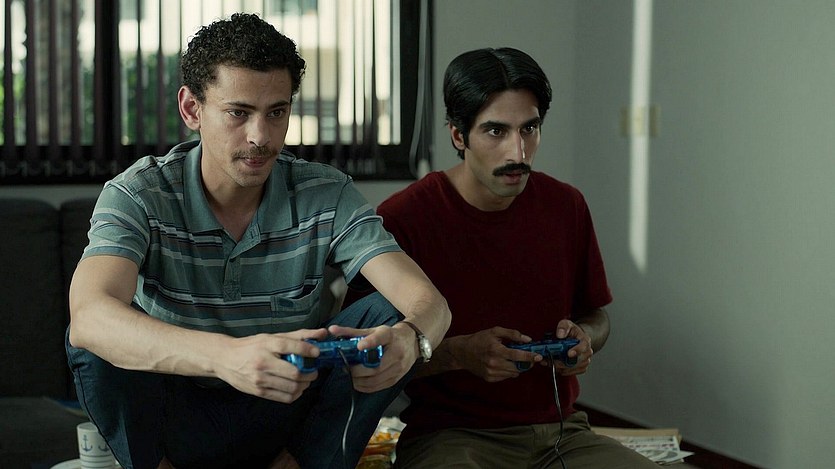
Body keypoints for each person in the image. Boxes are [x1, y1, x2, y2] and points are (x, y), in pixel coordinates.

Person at [65, 13, 450, 469]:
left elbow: (430, 304)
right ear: (192, 109)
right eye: (238, 112)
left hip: (286, 409)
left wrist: (412, 340)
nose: (260, 137)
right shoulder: (139, 193)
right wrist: (226, 357)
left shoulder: (325, 193)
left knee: (388, 315)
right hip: (179, 413)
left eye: (277, 112)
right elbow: (89, 317)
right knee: (92, 342)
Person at [346, 47, 658, 468]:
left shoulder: (566, 206)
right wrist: (459, 354)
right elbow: (362, 357)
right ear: (458, 136)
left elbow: (597, 316)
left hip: (562, 433)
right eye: (496, 131)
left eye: (530, 128)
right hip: (451, 437)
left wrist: (584, 338)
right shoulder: (403, 219)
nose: (518, 153)